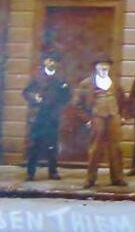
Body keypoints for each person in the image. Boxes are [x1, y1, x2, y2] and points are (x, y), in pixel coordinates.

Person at [76, 55, 128, 188]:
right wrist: (87, 120)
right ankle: (90, 179)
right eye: (100, 65)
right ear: (95, 67)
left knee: (116, 148)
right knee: (95, 149)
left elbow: (123, 101)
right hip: (97, 117)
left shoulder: (114, 83)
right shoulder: (86, 83)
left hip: (113, 117)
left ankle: (117, 178)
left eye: (106, 65)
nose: (104, 67)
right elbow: (77, 104)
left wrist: (122, 116)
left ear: (109, 67)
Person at [22, 50, 72, 181]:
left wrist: (58, 107)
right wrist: (34, 97)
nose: (51, 63)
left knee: (52, 144)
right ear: (45, 61)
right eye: (49, 60)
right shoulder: (36, 77)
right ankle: (30, 173)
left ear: (57, 64)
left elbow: (67, 96)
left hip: (52, 116)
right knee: (34, 144)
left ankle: (53, 172)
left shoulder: (61, 80)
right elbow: (26, 92)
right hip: (38, 115)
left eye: (54, 61)